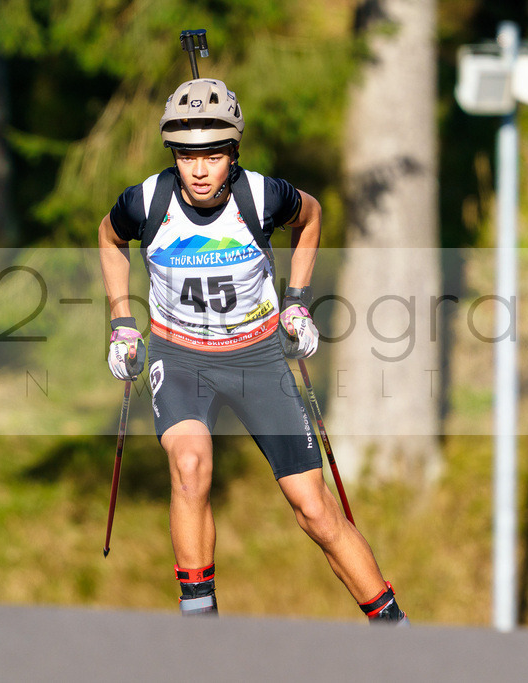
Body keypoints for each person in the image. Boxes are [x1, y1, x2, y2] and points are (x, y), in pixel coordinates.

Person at [98, 77, 407, 624]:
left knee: (315, 510)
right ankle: (200, 627)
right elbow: (109, 236)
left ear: (233, 154)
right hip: (181, 356)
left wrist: (297, 302)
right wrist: (123, 321)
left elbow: (310, 218)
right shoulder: (147, 200)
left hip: (259, 357)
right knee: (190, 466)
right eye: (186, 156)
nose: (198, 170)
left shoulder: (262, 196)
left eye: (213, 156)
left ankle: (394, 629)